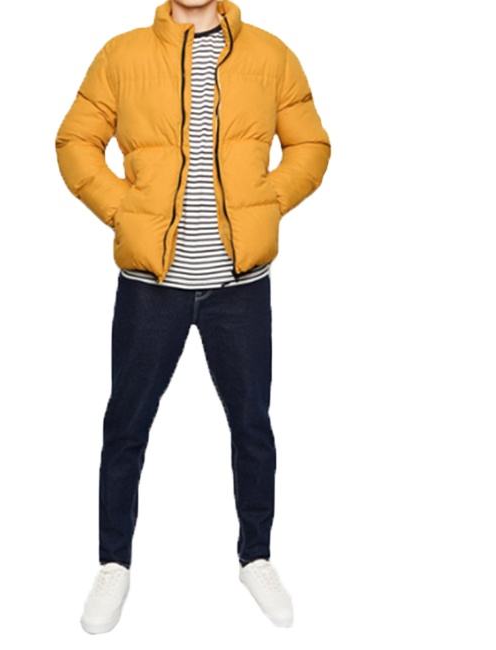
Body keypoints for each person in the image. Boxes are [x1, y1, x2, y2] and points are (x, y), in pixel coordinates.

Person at [55, 0, 331, 633]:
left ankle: (256, 557)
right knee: (126, 425)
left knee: (251, 426)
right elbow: (76, 141)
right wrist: (124, 211)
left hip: (240, 287)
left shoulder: (270, 54)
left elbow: (310, 144)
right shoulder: (122, 55)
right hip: (151, 286)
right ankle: (113, 564)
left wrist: (267, 201)